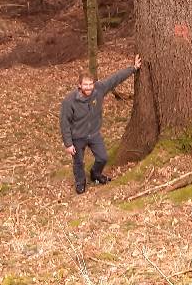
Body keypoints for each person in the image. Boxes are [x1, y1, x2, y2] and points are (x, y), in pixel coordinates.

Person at [60, 57, 142, 193]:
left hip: (93, 134)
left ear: (94, 84)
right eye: (85, 85)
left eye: (90, 84)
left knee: (103, 157)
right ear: (79, 85)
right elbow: (64, 123)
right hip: (77, 137)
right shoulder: (69, 101)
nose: (88, 87)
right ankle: (80, 182)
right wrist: (68, 144)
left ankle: (96, 174)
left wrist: (133, 68)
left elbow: (115, 78)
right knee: (78, 162)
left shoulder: (99, 90)